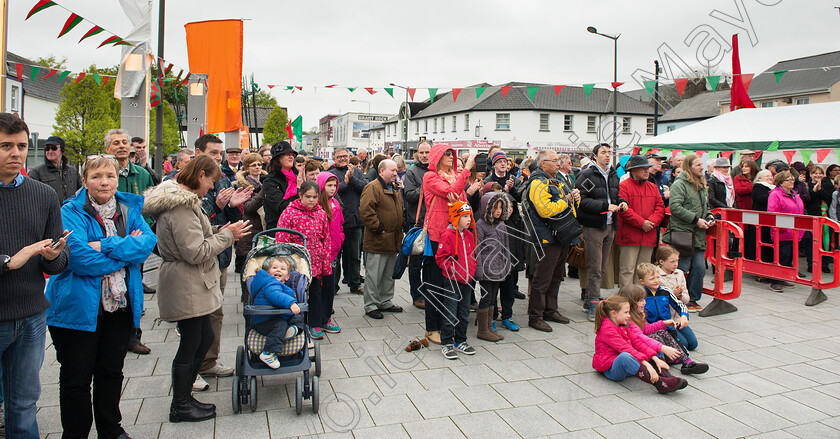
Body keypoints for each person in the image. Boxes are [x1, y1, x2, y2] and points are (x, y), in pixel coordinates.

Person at [46, 155, 157, 438]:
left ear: (117, 178)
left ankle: (111, 429)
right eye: (96, 176)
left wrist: (104, 245)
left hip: (118, 307)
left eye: (109, 175)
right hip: (77, 310)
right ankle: (76, 433)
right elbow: (79, 258)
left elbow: (146, 244)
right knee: (77, 379)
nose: (104, 181)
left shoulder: (129, 208)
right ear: (84, 181)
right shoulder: (69, 211)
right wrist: (123, 251)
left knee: (111, 372)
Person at [142, 156, 251, 423]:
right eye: (211, 182)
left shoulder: (184, 202)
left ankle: (185, 399)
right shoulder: (180, 207)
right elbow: (195, 251)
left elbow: (196, 236)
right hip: (186, 281)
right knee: (192, 342)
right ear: (200, 175)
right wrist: (227, 236)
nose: (211, 189)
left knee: (201, 338)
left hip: (192, 280)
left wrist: (219, 229)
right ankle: (180, 403)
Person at [0, 113, 69, 437]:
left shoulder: (43, 195)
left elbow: (54, 261)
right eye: (5, 146)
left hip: (30, 316)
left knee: (24, 403)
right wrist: (9, 262)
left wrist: (55, 256)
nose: (16, 153)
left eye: (22, 146)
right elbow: (14, 260)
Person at [193, 134, 250, 382]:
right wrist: (216, 207)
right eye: (213, 153)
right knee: (195, 317)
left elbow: (225, 216)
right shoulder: (183, 181)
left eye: (220, 153)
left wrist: (233, 205)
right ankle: (190, 367)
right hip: (198, 259)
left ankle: (209, 361)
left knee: (216, 312)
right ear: (197, 153)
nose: (218, 157)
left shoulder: (223, 178)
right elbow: (193, 221)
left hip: (220, 256)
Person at [106, 129, 157, 355]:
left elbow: (147, 204)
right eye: (116, 143)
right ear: (108, 148)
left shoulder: (141, 173)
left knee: (134, 287)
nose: (122, 146)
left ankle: (134, 336)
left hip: (136, 236)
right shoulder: (104, 172)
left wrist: (141, 227)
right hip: (112, 239)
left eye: (125, 142)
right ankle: (112, 335)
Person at [422, 144, 475, 344]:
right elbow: (453, 192)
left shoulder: (454, 177)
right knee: (435, 282)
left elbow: (460, 198)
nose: (451, 158)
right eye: (446, 155)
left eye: (452, 154)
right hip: (438, 235)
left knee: (451, 282)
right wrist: (467, 168)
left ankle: (447, 325)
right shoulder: (430, 177)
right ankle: (431, 327)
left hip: (456, 233)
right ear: (437, 157)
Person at [522, 150, 580, 331]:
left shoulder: (557, 180)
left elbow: (567, 205)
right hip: (547, 237)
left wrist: (575, 200)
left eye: (559, 160)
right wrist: (567, 199)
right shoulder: (537, 183)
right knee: (543, 278)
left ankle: (550, 309)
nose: (558, 163)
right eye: (555, 160)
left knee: (556, 276)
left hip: (561, 236)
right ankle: (535, 316)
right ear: (542, 163)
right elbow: (545, 209)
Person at [592, 296, 687, 394]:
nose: (629, 315)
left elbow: (637, 343)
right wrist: (646, 364)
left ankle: (666, 376)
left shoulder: (623, 324)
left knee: (653, 346)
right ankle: (660, 383)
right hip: (611, 368)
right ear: (614, 314)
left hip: (631, 364)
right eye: (626, 312)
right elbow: (625, 348)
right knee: (625, 356)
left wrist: (655, 359)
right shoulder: (607, 329)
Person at [576, 143, 627, 321]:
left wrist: (621, 202)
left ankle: (592, 296)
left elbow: (615, 195)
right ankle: (592, 302)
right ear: (595, 156)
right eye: (603, 153)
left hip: (610, 225)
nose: (607, 155)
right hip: (594, 226)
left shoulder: (612, 174)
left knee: (603, 266)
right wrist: (605, 206)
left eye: (609, 152)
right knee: (595, 266)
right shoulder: (588, 174)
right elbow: (582, 201)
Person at [276, 181, 331, 339]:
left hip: (316, 262)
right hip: (296, 264)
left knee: (316, 293)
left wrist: (325, 263)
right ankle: (296, 323)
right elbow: (281, 240)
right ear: (300, 196)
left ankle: (315, 323)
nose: (311, 200)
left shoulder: (321, 213)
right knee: (295, 294)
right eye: (308, 196)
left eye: (315, 197)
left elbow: (326, 239)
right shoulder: (289, 213)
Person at [617, 285, 708, 374]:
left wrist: (663, 323)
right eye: (641, 300)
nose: (645, 302)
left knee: (661, 332)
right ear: (632, 303)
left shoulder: (638, 315)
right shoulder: (629, 320)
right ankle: (662, 367)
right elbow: (640, 338)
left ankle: (686, 362)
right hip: (637, 348)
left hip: (643, 345)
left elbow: (646, 329)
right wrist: (662, 348)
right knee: (655, 337)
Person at [665, 154, 712, 312]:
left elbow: (706, 206)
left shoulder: (701, 183)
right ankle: (675, 297)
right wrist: (695, 219)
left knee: (699, 267)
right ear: (689, 166)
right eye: (698, 165)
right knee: (681, 267)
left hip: (698, 233)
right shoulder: (680, 183)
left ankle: (692, 298)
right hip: (683, 232)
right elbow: (675, 207)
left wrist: (709, 216)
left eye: (702, 164)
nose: (701, 167)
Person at [359, 160, 405, 319]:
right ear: (381, 171)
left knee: (388, 273)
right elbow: (366, 211)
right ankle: (371, 304)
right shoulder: (372, 187)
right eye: (392, 170)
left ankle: (385, 300)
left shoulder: (394, 187)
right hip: (378, 239)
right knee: (374, 274)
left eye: (396, 170)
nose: (395, 173)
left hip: (392, 240)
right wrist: (379, 227)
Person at [435, 201, 478, 359]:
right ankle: (446, 342)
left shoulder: (469, 234)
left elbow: (472, 254)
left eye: (469, 216)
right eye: (465, 216)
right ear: (456, 217)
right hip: (452, 280)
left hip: (467, 280)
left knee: (464, 312)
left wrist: (472, 269)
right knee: (450, 312)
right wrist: (451, 269)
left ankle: (461, 340)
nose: (468, 219)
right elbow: (440, 258)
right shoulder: (447, 235)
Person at [617, 155, 665, 288]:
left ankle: (640, 301)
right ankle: (627, 300)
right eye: (643, 169)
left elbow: (660, 207)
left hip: (648, 235)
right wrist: (642, 223)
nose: (647, 171)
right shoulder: (623, 186)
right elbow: (624, 210)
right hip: (629, 235)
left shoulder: (653, 187)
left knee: (644, 273)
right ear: (633, 170)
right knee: (627, 270)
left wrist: (651, 222)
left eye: (647, 168)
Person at [250, 257, 304, 369]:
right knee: (281, 324)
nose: (278, 270)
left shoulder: (280, 286)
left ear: (288, 276)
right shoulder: (270, 284)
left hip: (276, 316)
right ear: (269, 272)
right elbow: (275, 296)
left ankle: (293, 330)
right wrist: (291, 303)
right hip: (264, 321)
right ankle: (268, 353)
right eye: (274, 268)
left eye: (282, 269)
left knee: (297, 317)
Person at [329, 146, 367, 295]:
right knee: (335, 257)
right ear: (334, 159)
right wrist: (345, 182)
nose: (343, 159)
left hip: (355, 220)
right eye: (339, 157)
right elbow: (332, 191)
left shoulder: (356, 171)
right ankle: (333, 286)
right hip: (337, 222)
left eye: (345, 156)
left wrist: (352, 179)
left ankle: (355, 283)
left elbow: (364, 187)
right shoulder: (330, 173)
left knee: (354, 255)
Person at [475, 191, 511, 341]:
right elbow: (477, 251)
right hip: (486, 270)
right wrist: (479, 272)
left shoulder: (501, 225)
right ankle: (482, 330)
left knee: (493, 298)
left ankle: (489, 326)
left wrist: (507, 265)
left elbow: (506, 247)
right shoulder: (480, 225)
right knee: (486, 297)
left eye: (501, 208)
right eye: (495, 208)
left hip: (498, 269)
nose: (498, 211)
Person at [636, 263, 696, 352]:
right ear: (642, 281)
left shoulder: (665, 291)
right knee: (684, 346)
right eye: (652, 279)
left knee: (693, 344)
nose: (656, 281)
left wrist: (684, 316)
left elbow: (680, 304)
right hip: (653, 329)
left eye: (657, 277)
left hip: (668, 325)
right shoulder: (641, 294)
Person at [403, 141, 431, 309]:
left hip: (434, 222)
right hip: (418, 223)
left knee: (429, 262)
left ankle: (429, 291)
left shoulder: (437, 170)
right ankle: (417, 295)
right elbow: (410, 195)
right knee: (415, 263)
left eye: (427, 152)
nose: (424, 155)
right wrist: (426, 186)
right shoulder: (412, 172)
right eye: (421, 152)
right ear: (417, 154)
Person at [767, 170, 805, 292]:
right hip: (783, 232)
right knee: (781, 256)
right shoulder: (775, 194)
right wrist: (782, 228)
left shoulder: (795, 195)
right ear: (781, 183)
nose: (792, 182)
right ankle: (775, 281)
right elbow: (773, 212)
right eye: (789, 180)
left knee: (789, 258)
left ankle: (783, 278)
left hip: (795, 232)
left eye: (793, 179)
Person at [233, 153, 266, 289]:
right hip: (249, 228)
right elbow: (248, 208)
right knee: (248, 265)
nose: (257, 167)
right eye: (254, 165)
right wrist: (263, 192)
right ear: (247, 167)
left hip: (263, 227)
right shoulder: (242, 185)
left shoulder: (264, 181)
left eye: (259, 164)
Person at [316, 172, 344, 334]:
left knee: (329, 288)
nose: (332, 189)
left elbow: (340, 225)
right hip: (319, 254)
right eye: (329, 185)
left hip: (333, 252)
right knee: (317, 289)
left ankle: (326, 319)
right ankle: (316, 320)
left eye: (334, 185)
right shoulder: (318, 205)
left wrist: (340, 238)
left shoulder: (336, 204)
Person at [27, 135, 82, 202]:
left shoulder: (73, 172)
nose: (50, 151)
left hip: (70, 211)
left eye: (54, 148)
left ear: (61, 150)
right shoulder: (36, 172)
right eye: (47, 148)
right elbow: (30, 196)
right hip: (48, 212)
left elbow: (80, 194)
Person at [263, 141, 300, 236]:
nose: (291, 157)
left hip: (298, 228)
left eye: (292, 155)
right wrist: (299, 190)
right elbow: (280, 207)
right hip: (277, 231)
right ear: (278, 159)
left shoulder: (297, 177)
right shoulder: (270, 181)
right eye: (287, 154)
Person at [803, 165, 832, 273]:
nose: (818, 175)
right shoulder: (806, 185)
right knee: (811, 242)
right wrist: (814, 189)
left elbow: (829, 198)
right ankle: (811, 263)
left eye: (820, 173)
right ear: (811, 175)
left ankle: (825, 263)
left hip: (825, 218)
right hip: (812, 217)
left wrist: (820, 190)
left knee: (825, 241)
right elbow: (808, 199)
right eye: (815, 173)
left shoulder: (827, 184)